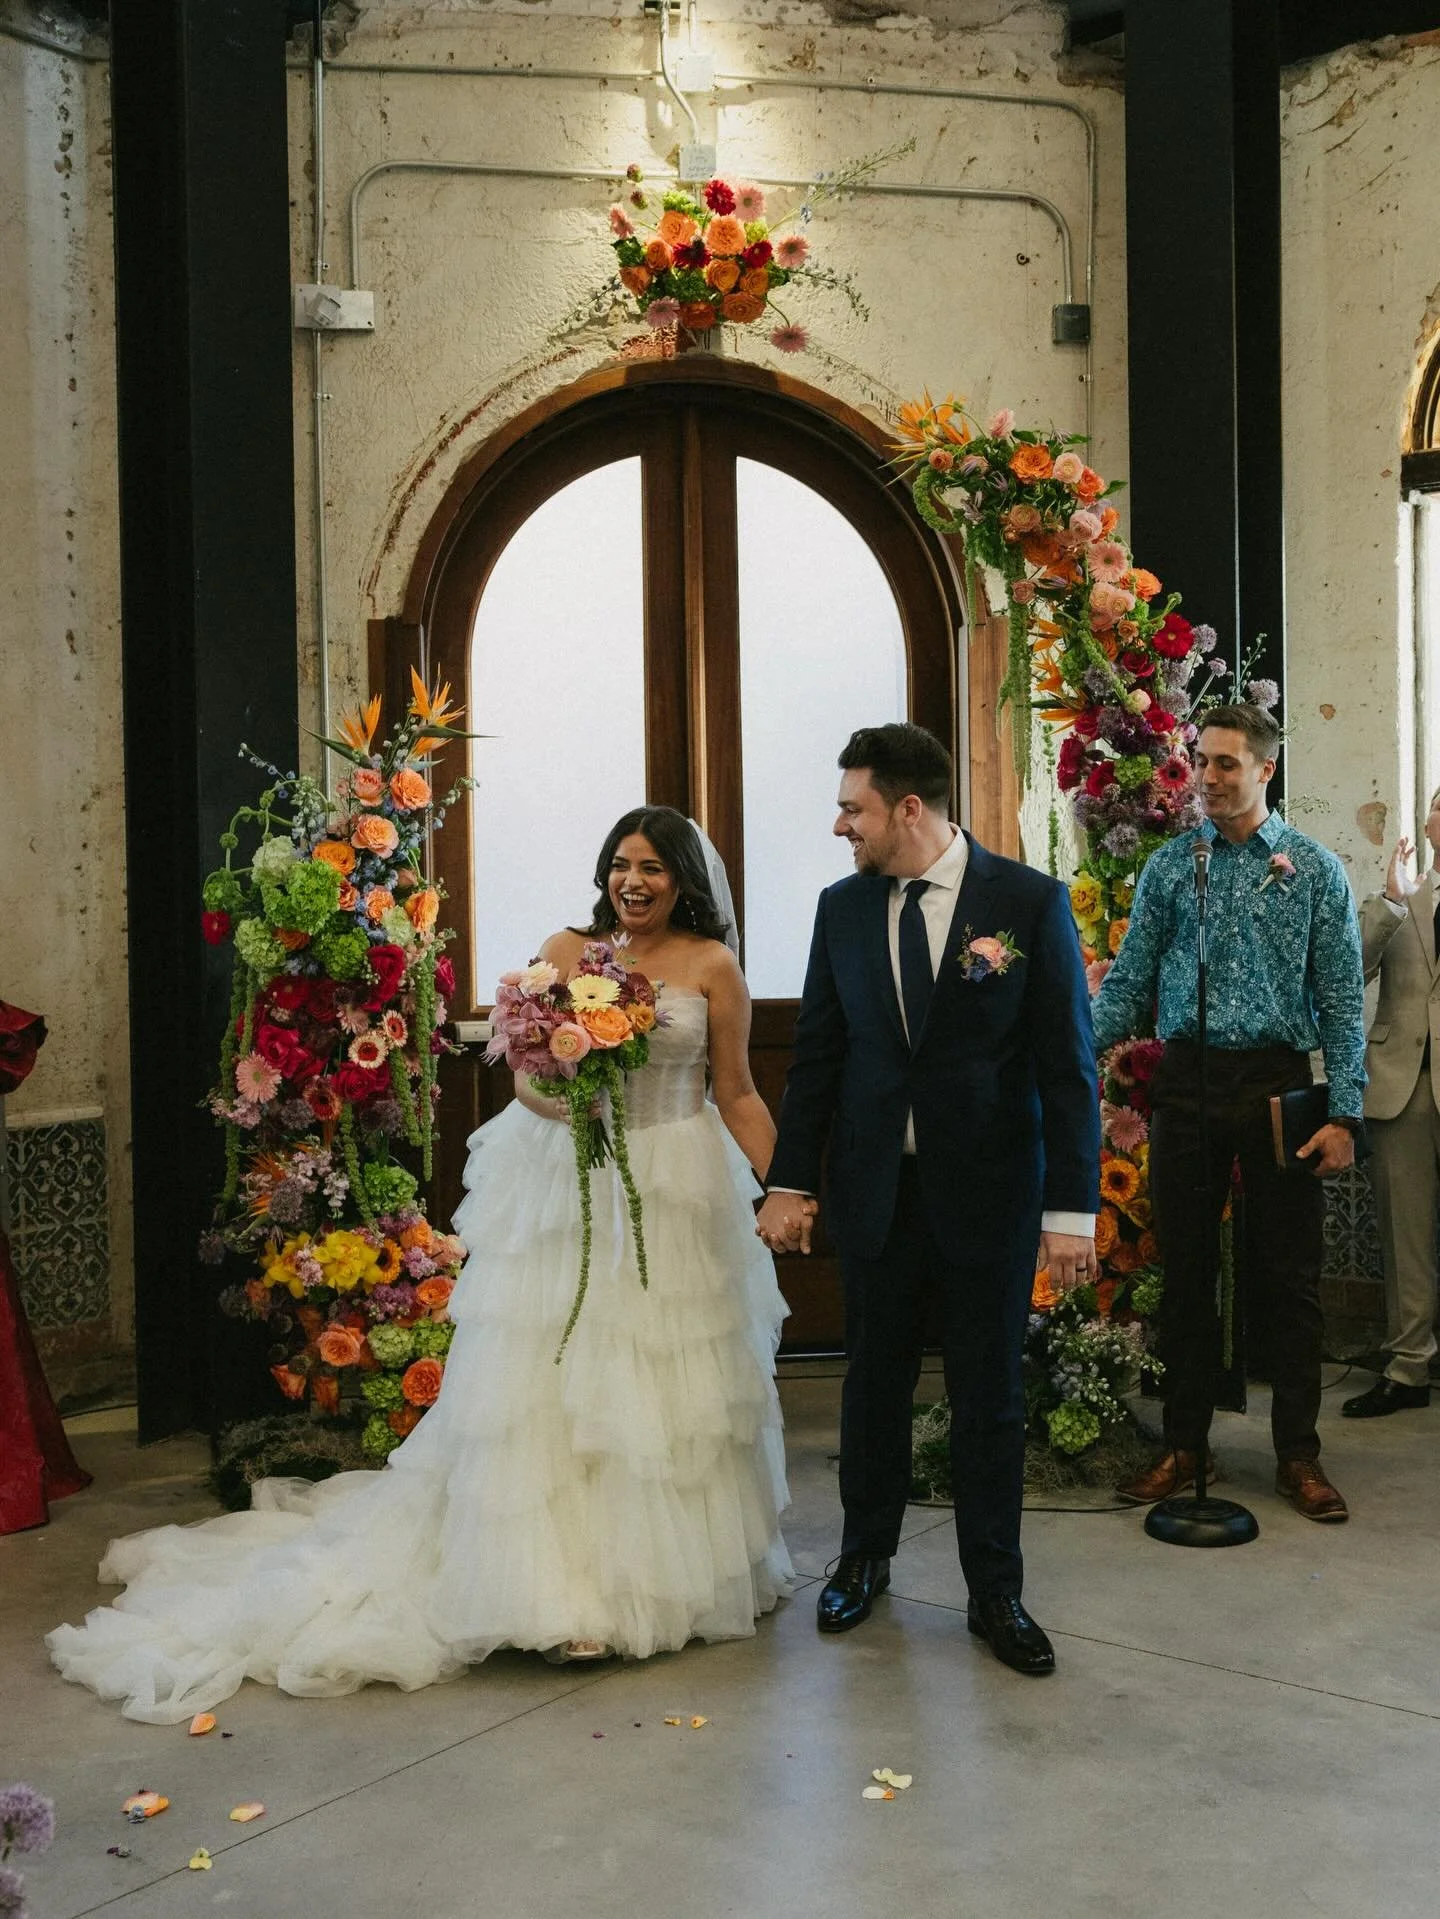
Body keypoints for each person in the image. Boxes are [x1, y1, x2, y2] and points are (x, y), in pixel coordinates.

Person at [48, 808, 792, 1721]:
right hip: (568, 1185)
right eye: (619, 865)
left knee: (661, 1386)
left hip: (675, 1185)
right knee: (552, 1383)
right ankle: (560, 1591)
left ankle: (665, 1577)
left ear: (684, 879)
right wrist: (575, 1105)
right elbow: (523, 1071)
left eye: (651, 868)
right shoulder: (567, 946)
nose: (631, 882)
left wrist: (787, 1186)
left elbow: (738, 1089)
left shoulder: (713, 967)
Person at [756, 723, 1099, 1678]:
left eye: (852, 807)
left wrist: (1071, 1213)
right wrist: (789, 1180)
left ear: (909, 807)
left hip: (990, 1193)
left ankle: (997, 1588)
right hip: (878, 1193)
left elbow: (1067, 1067)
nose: (839, 826)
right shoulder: (842, 910)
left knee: (990, 1396)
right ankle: (864, 1557)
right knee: (873, 1387)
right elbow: (819, 1058)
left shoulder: (1026, 904)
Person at [1095, 704, 1366, 1521]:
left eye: (1224, 764)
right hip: (1188, 1081)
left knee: (1290, 1275)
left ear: (1264, 770)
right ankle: (1185, 1442)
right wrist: (1067, 1051)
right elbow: (1131, 980)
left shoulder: (1315, 871)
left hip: (1281, 1085)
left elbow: (1345, 1003)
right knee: (1184, 1273)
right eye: (1201, 762)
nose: (1207, 778)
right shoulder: (1175, 867)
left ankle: (1298, 1453)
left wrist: (1345, 1115)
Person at [1343, 798, 1440, 1417]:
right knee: (1406, 1237)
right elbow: (1346, 971)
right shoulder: (1402, 900)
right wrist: (1390, 902)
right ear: (1429, 825)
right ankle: (1408, 1368)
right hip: (1401, 1087)